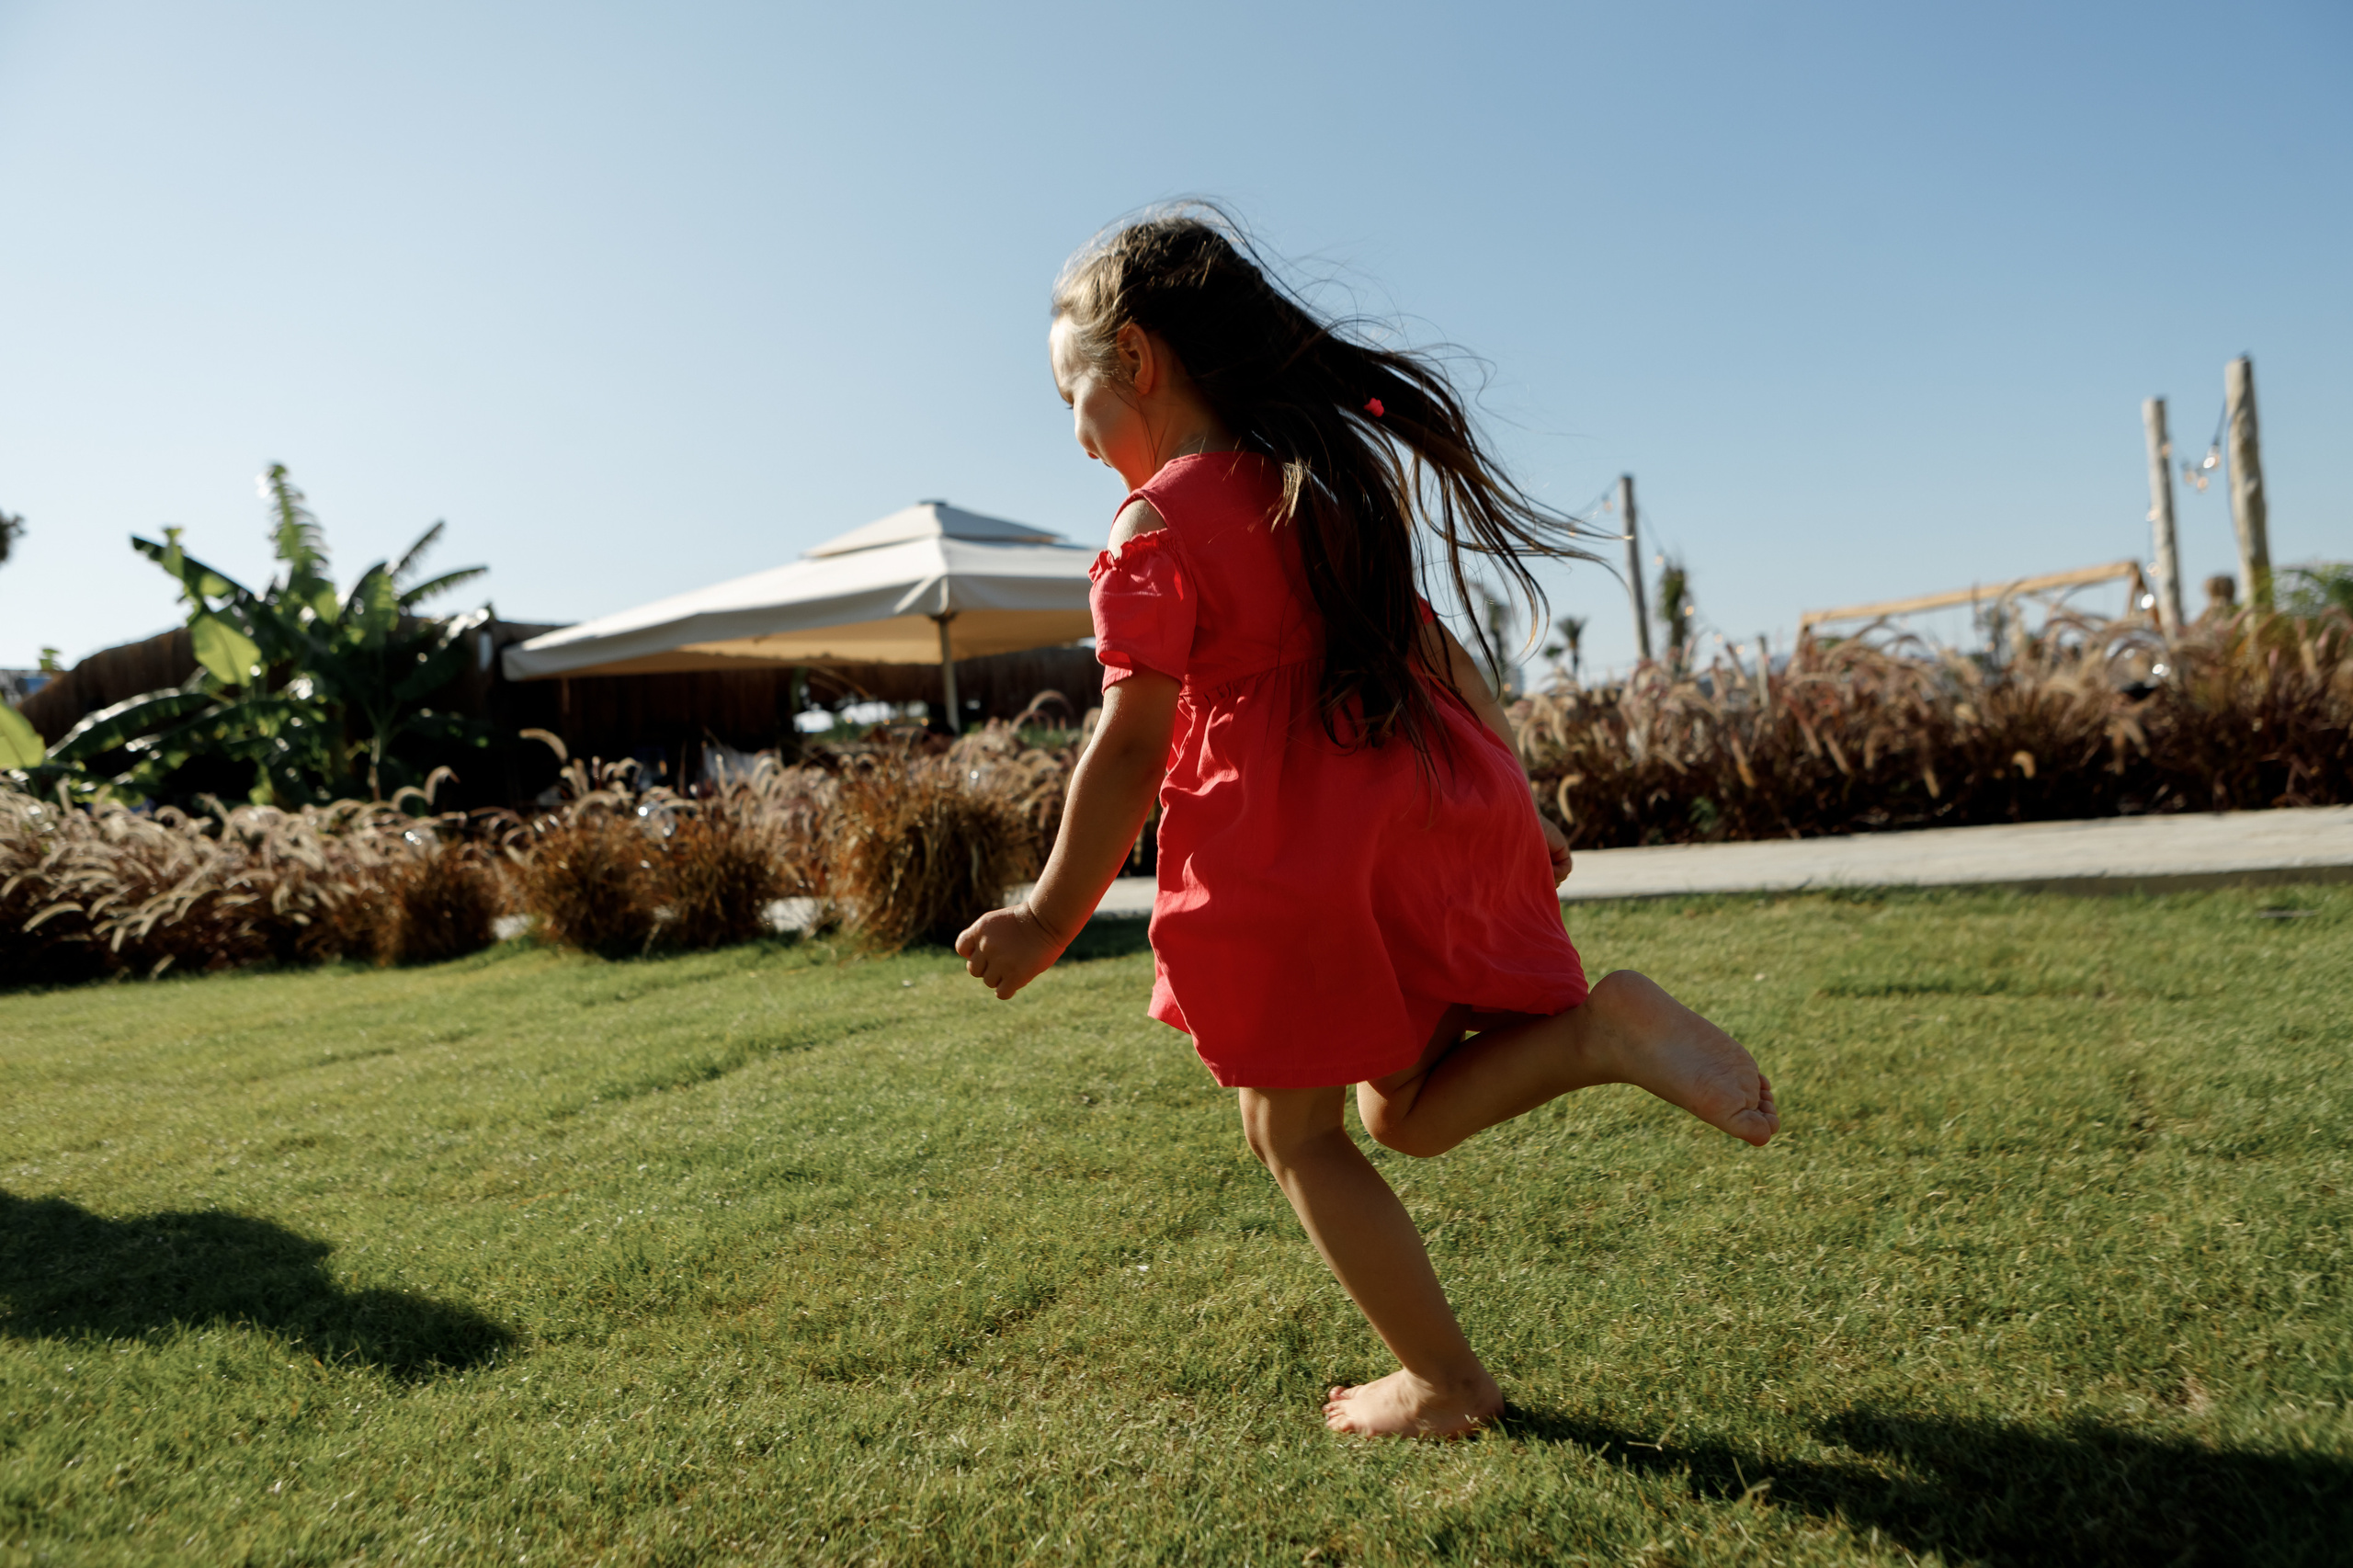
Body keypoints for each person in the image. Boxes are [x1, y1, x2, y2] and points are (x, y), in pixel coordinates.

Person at [956, 210, 1778, 1439]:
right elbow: (1441, 649)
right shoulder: (1321, 490)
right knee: (1399, 1110)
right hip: (1415, 815)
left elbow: (1128, 743)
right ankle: (1601, 1030)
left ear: (1136, 357)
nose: (1074, 437)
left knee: (1292, 1132)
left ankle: (1449, 1383)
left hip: (1291, 857)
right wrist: (1520, 791)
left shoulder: (1157, 525)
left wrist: (1045, 914)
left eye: (1068, 394)